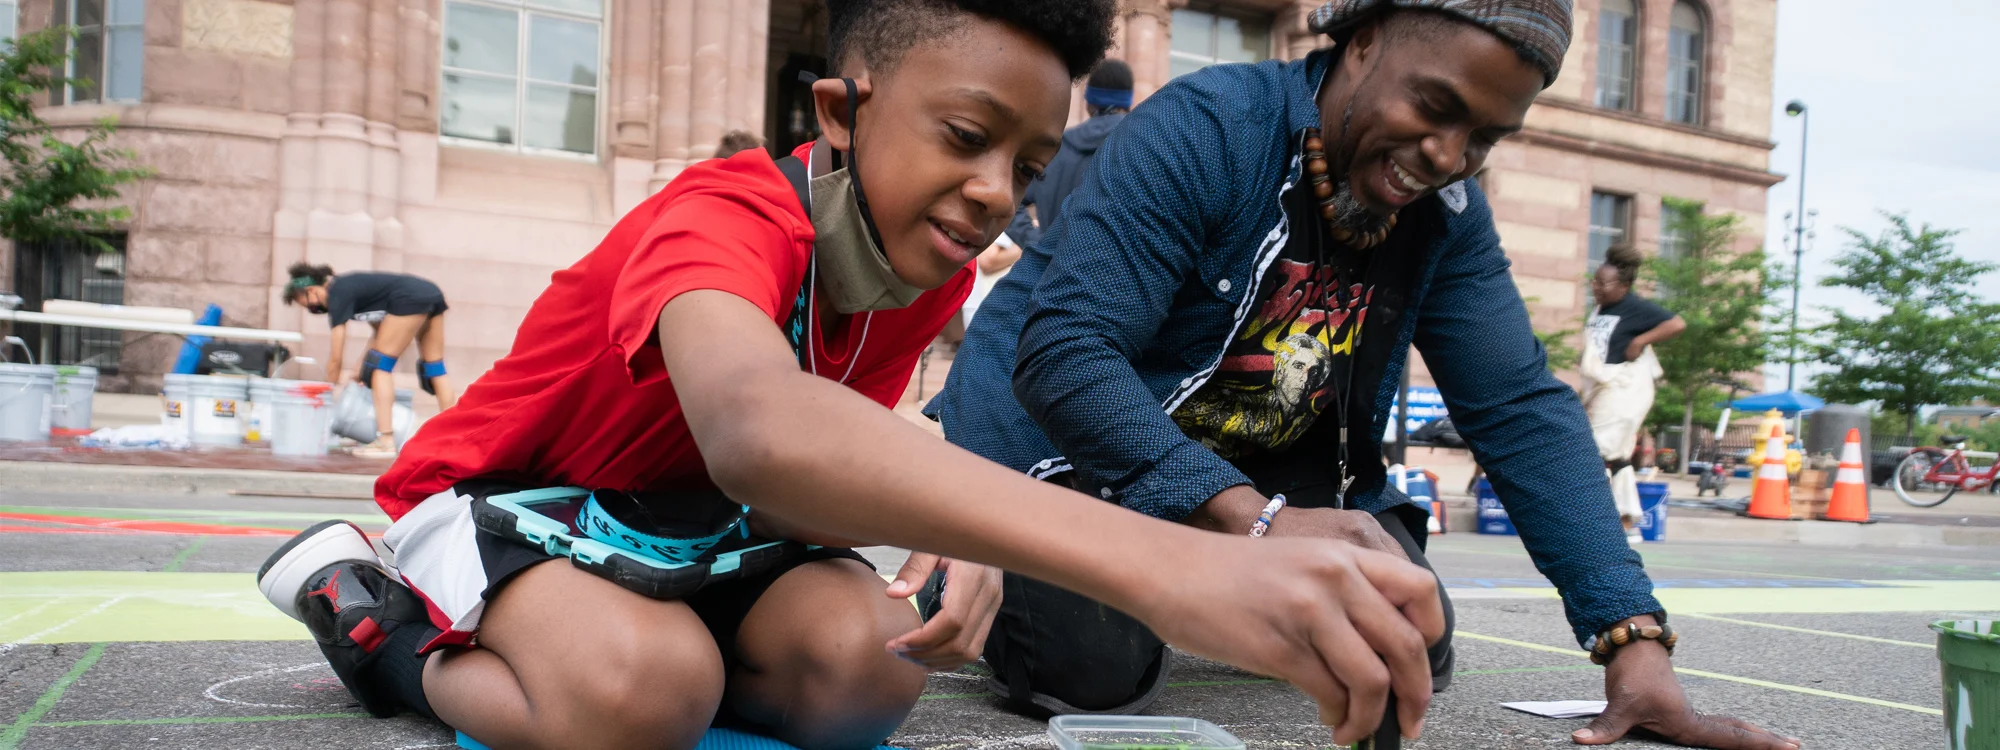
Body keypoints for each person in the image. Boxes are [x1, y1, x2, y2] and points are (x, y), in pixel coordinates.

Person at [253, 2, 1448, 749]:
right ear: (840, 109)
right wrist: (1173, 564)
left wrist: (959, 528)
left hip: (687, 529)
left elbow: (793, 488)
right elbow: (756, 429)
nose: (997, 191)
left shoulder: (913, 273)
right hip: (506, 505)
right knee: (634, 697)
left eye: (1029, 164)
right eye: (967, 137)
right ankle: (372, 625)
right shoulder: (718, 215)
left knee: (865, 668)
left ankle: (649, 649)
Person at [927, 1, 1796, 748]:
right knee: (1090, 667)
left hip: (1253, 474)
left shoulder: (1449, 215)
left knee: (1410, 634)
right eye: (1436, 105)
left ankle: (1211, 568)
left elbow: (1521, 410)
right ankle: (966, 556)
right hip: (1072, 452)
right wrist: (1260, 526)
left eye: (1484, 137)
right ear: (1363, 39)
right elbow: (1068, 354)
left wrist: (1631, 643)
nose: (1448, 156)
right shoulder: (1211, 127)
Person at [284, 263, 457, 457]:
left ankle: (385, 441)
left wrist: (328, 390)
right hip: (430, 292)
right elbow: (379, 332)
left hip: (408, 299)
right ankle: (454, 437)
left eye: (310, 305)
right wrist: (358, 369)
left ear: (312, 290)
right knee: (434, 368)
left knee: (379, 367)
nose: (315, 309)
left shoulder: (337, 294)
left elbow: (336, 355)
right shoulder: (353, 288)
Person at [1581, 246, 1686, 533]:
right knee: (1616, 455)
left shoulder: (1635, 307)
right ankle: (1625, 520)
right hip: (1604, 386)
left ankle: (1594, 518)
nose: (1596, 287)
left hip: (1626, 388)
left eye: (1603, 283)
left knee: (1596, 449)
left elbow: (1677, 323)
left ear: (1624, 286)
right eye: (1595, 281)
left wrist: (1641, 341)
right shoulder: (1601, 308)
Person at [1001, 58, 1133, 251]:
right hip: (1118, 277)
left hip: (1054, 274)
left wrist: (1039, 246)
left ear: (1089, 102)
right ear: (1128, 101)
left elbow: (1009, 200)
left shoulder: (1053, 147)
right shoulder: (1145, 147)